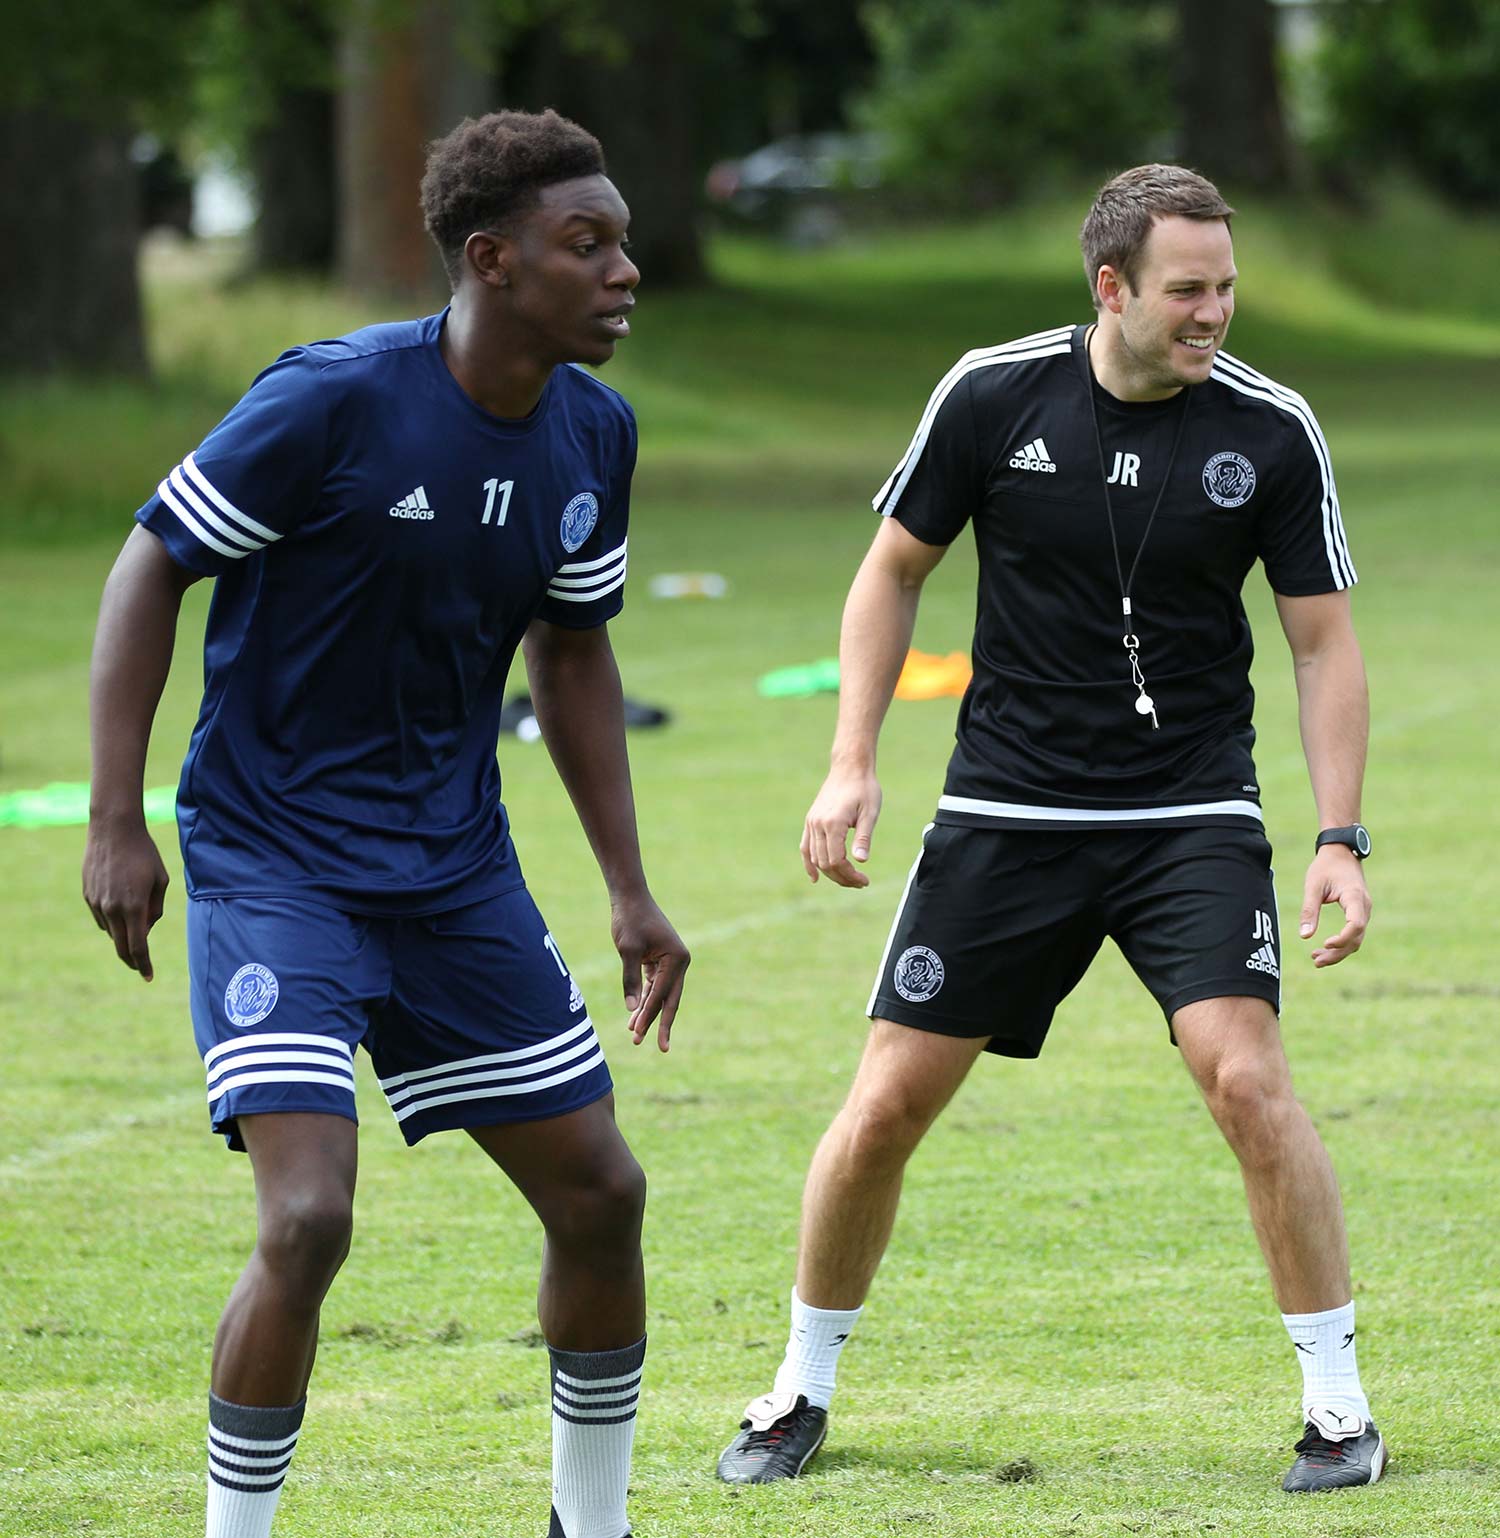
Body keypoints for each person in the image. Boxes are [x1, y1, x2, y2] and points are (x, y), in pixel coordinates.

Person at [716, 164, 1383, 1495]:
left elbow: (1323, 645)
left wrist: (1339, 836)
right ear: (1112, 287)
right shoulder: (990, 393)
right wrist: (850, 762)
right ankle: (797, 1387)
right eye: (1187, 290)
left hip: (1188, 807)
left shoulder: (1273, 427)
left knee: (1244, 1076)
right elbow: (892, 569)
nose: (1215, 313)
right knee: (888, 1102)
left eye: (1227, 285)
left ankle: (1339, 1408)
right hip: (1008, 807)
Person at [82, 109, 688, 1538]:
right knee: (307, 1219)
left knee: (601, 1193)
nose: (625, 271)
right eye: (584, 244)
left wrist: (630, 886)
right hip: (273, 857)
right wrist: (116, 818)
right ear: (489, 259)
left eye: (622, 241)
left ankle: (587, 1528)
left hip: (453, 870)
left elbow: (576, 651)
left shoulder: (595, 432)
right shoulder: (334, 399)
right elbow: (148, 564)